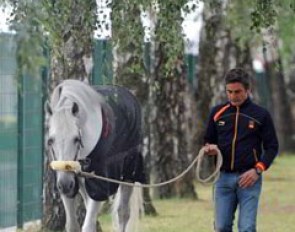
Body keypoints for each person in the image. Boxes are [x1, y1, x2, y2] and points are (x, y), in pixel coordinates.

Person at [203, 68, 279, 232]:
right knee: (221, 227)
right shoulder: (217, 113)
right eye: (229, 92)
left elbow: (272, 147)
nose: (233, 96)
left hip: (249, 179)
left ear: (248, 90)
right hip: (222, 179)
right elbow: (208, 140)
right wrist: (209, 148)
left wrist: (257, 170)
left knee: (247, 227)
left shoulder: (261, 115)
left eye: (237, 92)